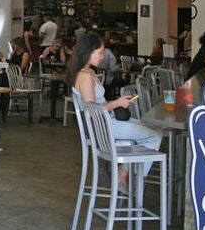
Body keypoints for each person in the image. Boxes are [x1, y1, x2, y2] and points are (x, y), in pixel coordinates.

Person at [66, 32, 161, 187]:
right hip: (104, 125)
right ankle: (127, 177)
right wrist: (117, 103)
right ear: (88, 52)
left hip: (107, 122)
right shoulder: (85, 76)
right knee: (154, 135)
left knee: (154, 131)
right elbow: (92, 111)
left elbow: (97, 104)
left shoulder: (88, 72)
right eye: (100, 53)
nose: (102, 57)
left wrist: (118, 102)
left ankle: (125, 172)